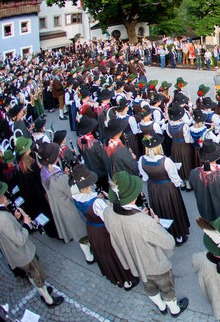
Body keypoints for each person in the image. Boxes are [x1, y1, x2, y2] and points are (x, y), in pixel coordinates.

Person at [104, 171, 189, 316]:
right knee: (166, 287)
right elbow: (169, 243)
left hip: (133, 260)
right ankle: (174, 309)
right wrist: (156, 223)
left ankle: (161, 307)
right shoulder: (144, 222)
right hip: (153, 263)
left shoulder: (107, 213)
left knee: (149, 287)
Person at [0, 173, 64, 307]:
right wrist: (26, 223)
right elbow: (20, 240)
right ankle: (48, 299)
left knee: (32, 275)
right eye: (2, 194)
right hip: (21, 254)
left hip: (15, 253)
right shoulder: (1, 218)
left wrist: (14, 218)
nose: (5, 195)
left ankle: (42, 292)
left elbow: (7, 231)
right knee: (37, 275)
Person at [70, 164, 138, 290]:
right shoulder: (96, 202)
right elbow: (108, 216)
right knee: (114, 254)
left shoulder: (76, 197)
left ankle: (114, 276)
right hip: (103, 229)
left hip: (92, 228)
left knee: (104, 255)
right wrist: (111, 202)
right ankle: (126, 280)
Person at [37, 142, 93, 263]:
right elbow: (72, 192)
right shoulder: (58, 177)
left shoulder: (44, 172)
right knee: (82, 233)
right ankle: (89, 256)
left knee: (80, 235)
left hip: (60, 208)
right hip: (70, 210)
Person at [138, 134, 190, 246]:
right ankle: (178, 236)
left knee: (159, 209)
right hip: (167, 188)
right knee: (173, 210)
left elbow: (145, 177)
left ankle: (165, 233)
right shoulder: (166, 161)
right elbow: (176, 181)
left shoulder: (141, 160)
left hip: (153, 189)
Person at [188, 141, 220, 221]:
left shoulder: (193, 173)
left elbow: (193, 185)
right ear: (217, 157)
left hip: (204, 211)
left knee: (210, 230)